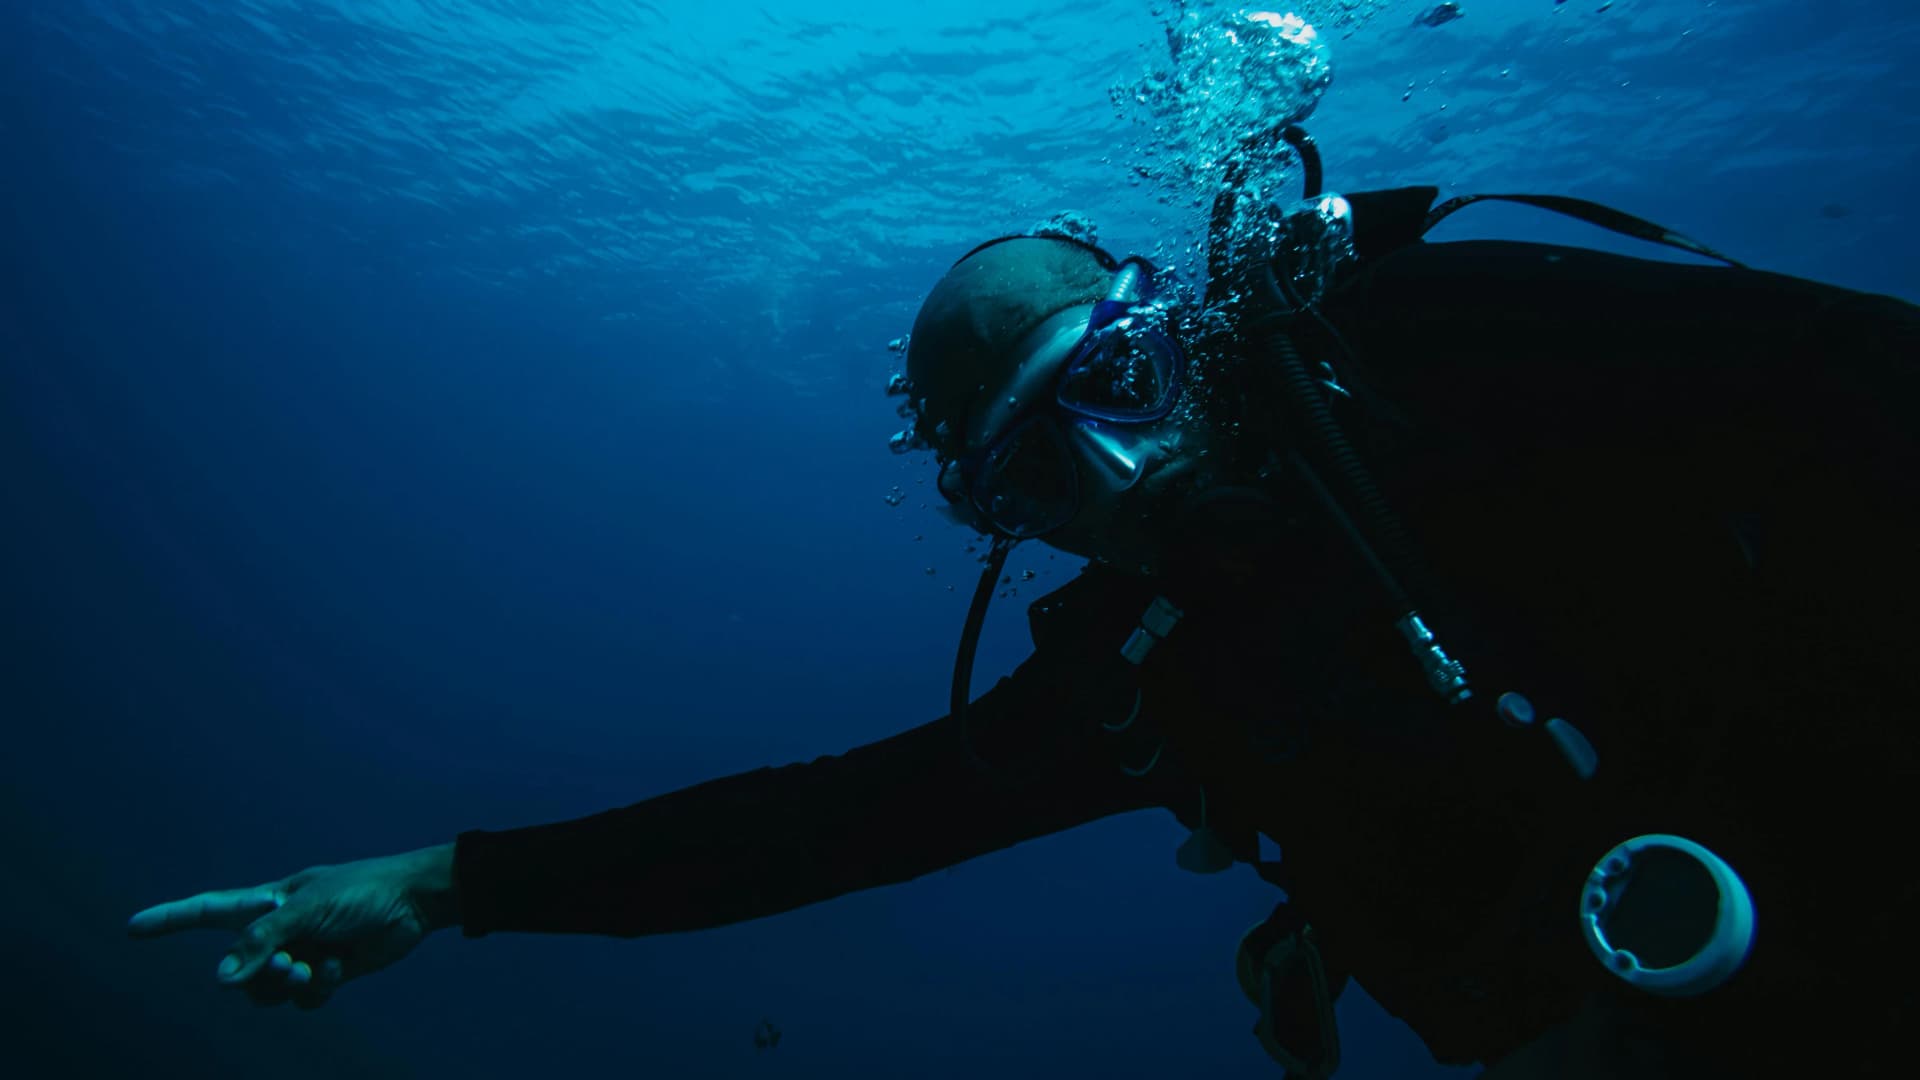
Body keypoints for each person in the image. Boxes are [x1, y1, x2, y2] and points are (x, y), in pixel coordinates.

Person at [130, 131, 1919, 1076]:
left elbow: (1863, 388)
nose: (1119, 481)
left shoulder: (1438, 347)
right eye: (1036, 472)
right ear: (995, 516)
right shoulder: (1149, 685)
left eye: (1118, 385)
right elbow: (835, 826)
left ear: (1188, 328)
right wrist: (446, 883)